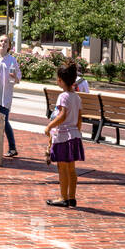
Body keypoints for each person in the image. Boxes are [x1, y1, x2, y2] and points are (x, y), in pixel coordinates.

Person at [44, 63, 85, 208]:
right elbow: (79, 117)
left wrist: (50, 126)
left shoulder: (63, 96)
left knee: (62, 168)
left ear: (61, 80)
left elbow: (62, 115)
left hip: (62, 137)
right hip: (74, 136)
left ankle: (63, 197)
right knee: (71, 169)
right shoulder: (76, 97)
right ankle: (72, 197)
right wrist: (77, 131)